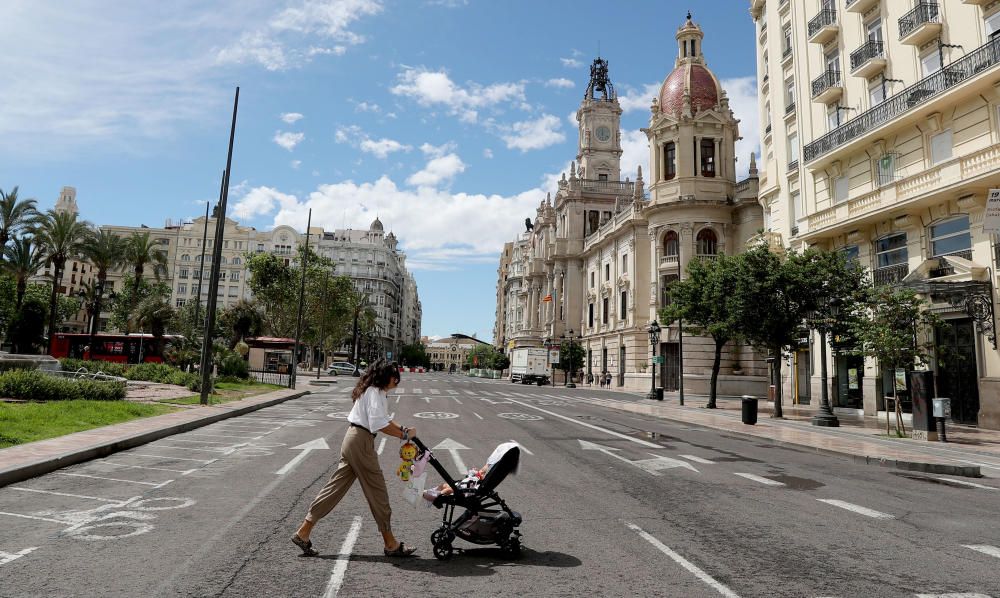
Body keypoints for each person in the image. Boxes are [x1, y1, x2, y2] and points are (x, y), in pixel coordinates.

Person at [291, 359, 417, 558]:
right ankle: (391, 544)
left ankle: (303, 532)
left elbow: (384, 419)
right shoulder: (375, 393)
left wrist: (403, 429)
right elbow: (378, 423)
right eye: (395, 377)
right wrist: (403, 435)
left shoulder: (373, 391)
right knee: (378, 492)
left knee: (334, 488)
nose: (397, 381)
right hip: (361, 442)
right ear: (386, 377)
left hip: (353, 439)